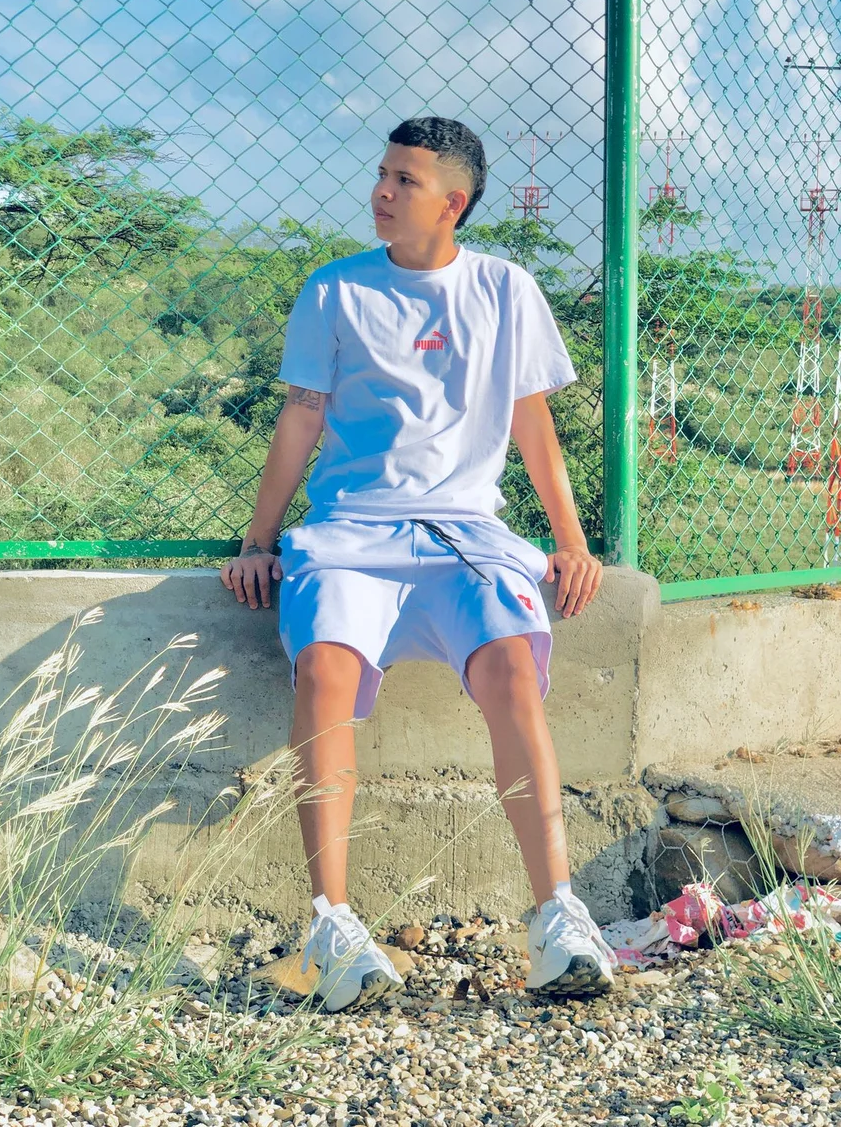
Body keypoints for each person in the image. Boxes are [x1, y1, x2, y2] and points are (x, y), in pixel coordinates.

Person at [220, 117, 617, 1012]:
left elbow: (532, 423)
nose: (383, 191)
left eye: (406, 179)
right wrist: (258, 540)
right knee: (325, 669)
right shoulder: (334, 289)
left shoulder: (506, 290)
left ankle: (558, 917)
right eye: (383, 173)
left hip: (465, 534)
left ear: (453, 203)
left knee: (512, 666)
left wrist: (571, 539)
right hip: (350, 534)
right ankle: (332, 926)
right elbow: (301, 416)